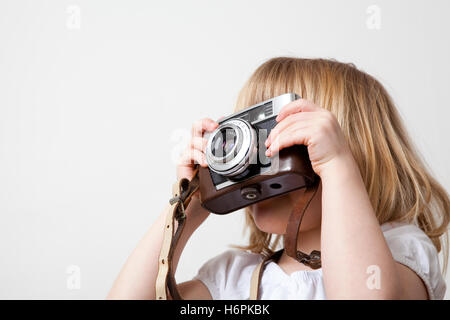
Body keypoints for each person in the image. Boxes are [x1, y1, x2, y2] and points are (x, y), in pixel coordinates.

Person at [107, 57, 449, 300]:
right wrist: (188, 205)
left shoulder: (397, 252)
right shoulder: (231, 277)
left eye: (272, 137)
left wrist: (336, 166)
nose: (254, 159)